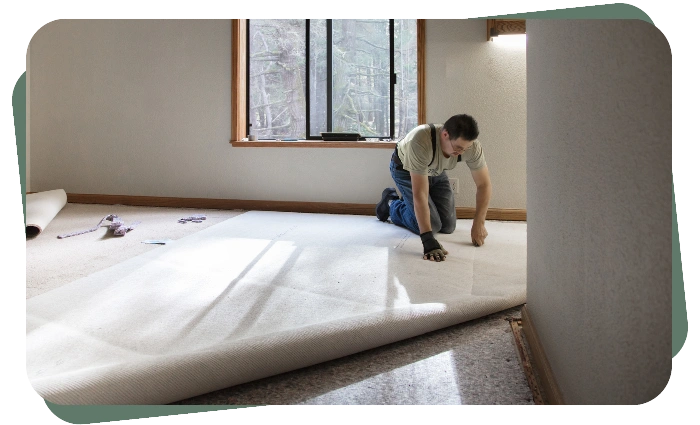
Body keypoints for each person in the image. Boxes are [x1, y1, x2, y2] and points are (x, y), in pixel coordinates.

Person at [375, 114, 492, 262]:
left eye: (466, 148)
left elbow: (483, 185)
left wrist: (479, 223)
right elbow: (420, 194)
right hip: (405, 170)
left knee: (448, 226)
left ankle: (409, 204)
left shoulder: (472, 147)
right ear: (445, 135)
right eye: (458, 148)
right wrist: (428, 240)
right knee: (433, 225)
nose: (462, 153)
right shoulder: (420, 141)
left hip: (436, 170)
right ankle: (391, 203)